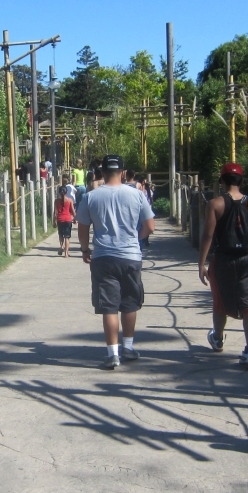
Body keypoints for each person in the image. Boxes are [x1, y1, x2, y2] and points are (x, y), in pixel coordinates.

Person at [76, 155, 156, 370]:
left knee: (109, 306)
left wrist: (85, 249)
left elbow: (82, 227)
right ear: (122, 172)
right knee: (130, 303)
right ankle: (128, 347)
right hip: (130, 256)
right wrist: (134, 239)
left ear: (101, 173)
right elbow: (150, 226)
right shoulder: (137, 195)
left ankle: (113, 354)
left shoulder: (90, 197)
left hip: (103, 256)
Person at [197, 163, 248, 369]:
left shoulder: (215, 204)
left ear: (222, 180)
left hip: (223, 259)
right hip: (246, 260)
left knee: (220, 300)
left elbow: (208, 235)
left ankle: (217, 338)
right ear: (241, 181)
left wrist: (201, 263)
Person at [54, 185, 75, 257]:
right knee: (67, 237)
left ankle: (61, 246)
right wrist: (75, 218)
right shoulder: (69, 200)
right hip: (68, 220)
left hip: (60, 220)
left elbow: (55, 212)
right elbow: (72, 211)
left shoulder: (56, 201)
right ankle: (66, 253)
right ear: (66, 192)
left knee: (60, 235)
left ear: (59, 193)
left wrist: (54, 221)